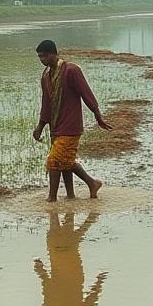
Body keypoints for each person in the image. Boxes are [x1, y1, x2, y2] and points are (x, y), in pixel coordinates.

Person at [32, 39, 112, 201]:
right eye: (40, 57)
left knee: (54, 162)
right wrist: (40, 127)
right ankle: (79, 190)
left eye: (45, 56)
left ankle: (51, 199)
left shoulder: (71, 70)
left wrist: (98, 116)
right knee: (65, 162)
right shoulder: (46, 76)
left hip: (71, 126)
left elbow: (86, 94)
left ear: (54, 54)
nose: (42, 60)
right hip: (55, 126)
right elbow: (46, 104)